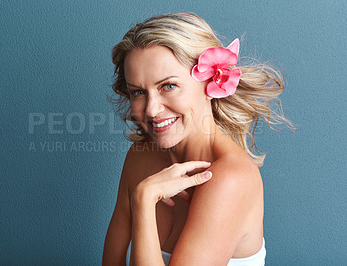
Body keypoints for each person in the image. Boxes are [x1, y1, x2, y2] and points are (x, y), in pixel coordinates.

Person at [102, 12, 292, 265]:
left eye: (168, 86)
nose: (151, 109)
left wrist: (144, 199)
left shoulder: (230, 179)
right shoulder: (141, 156)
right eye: (138, 92)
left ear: (212, 83)